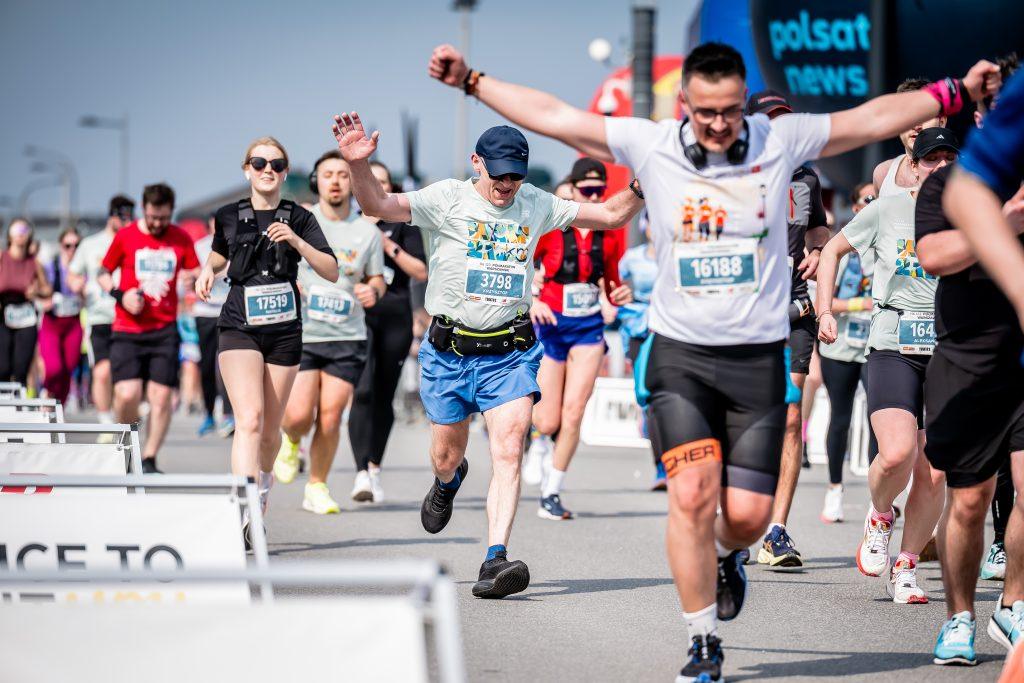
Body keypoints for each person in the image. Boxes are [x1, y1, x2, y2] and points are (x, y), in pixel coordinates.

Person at [426, 38, 1000, 680]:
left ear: (742, 102)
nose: (719, 124)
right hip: (681, 356)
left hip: (755, 358)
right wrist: (473, 80)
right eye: (705, 113)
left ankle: (730, 556)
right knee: (693, 497)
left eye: (729, 111)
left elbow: (867, 119)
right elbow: (557, 116)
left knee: (747, 517)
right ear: (685, 104)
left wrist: (954, 91)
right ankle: (702, 642)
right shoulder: (654, 144)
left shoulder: (778, 141)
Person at [333, 112, 643, 598]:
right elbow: (377, 204)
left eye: (515, 175)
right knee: (445, 455)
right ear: (476, 162)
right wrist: (357, 165)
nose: (506, 185)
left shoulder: (536, 202)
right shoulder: (447, 198)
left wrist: (644, 183)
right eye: (498, 174)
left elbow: (609, 215)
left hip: (509, 353)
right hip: (449, 351)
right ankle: (448, 481)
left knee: (509, 447)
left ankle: (495, 558)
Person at [818, 128, 960, 606]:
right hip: (893, 342)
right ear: (914, 167)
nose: (941, 166)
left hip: (949, 350)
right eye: (932, 158)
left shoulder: (970, 215)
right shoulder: (887, 208)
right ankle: (880, 513)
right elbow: (833, 250)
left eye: (949, 158)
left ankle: (907, 567)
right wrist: (824, 311)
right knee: (897, 453)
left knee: (935, 470)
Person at [920, 62, 1024, 665]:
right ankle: (959, 616)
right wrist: (1003, 223)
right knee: (969, 499)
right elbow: (933, 256)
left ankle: (1013, 605)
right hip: (968, 360)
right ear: (983, 115)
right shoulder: (948, 184)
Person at [196, 137, 337, 529]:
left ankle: (262, 484)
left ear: (285, 172)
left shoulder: (300, 217)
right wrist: (208, 269)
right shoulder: (228, 214)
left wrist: (296, 241)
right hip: (238, 325)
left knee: (271, 432)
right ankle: (243, 512)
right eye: (259, 163)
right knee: (250, 419)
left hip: (283, 330)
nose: (267, 170)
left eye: (276, 164)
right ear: (247, 170)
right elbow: (220, 253)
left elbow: (330, 269)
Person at [744, 90, 830, 570]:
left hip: (795, 307)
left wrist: (820, 249)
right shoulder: (731, 174)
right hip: (741, 312)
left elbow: (817, 229)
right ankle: (735, 519)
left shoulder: (805, 177)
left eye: (785, 120)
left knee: (791, 419)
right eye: (770, 120)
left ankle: (776, 532)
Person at [275, 151, 385, 514]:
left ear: (352, 183)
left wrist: (373, 291)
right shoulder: (300, 223)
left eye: (342, 174)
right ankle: (291, 440)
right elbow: (278, 267)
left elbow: (377, 278)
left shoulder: (367, 231)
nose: (335, 181)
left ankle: (317, 486)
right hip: (305, 333)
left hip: (347, 335)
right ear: (316, 182)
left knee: (331, 415)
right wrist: (290, 283)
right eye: (328, 175)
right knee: (297, 415)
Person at [527, 157, 631, 520]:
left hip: (588, 329)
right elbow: (522, 264)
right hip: (551, 327)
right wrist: (534, 298)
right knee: (548, 420)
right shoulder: (552, 227)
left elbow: (614, 284)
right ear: (573, 190)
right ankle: (539, 441)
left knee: (574, 413)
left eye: (599, 190)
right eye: (586, 190)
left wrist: (619, 295)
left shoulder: (611, 234)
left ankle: (552, 491)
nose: (594, 196)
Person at [97, 184, 198, 473]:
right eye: (153, 217)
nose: (157, 223)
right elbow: (103, 272)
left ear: (171, 212)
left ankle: (150, 458)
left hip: (164, 329)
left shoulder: (180, 237)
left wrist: (193, 278)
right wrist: (120, 295)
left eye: (163, 218)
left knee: (161, 397)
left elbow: (194, 269)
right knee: (127, 394)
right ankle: (127, 446)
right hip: (128, 328)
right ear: (143, 209)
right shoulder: (126, 235)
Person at [347, 160, 427, 503]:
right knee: (362, 390)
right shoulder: (347, 223)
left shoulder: (403, 223)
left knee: (383, 395)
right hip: (356, 316)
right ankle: (360, 473)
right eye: (369, 180)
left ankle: (375, 467)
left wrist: (385, 243)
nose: (375, 186)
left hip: (395, 315)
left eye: (382, 182)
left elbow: (420, 270)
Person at [817, 182, 878, 523]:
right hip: (840, 344)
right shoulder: (842, 248)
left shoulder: (886, 243)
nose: (875, 203)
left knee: (877, 419)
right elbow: (825, 301)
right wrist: (860, 304)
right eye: (869, 199)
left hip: (875, 344)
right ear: (856, 208)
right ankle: (834, 490)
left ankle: (877, 498)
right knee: (840, 418)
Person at [68, 195, 134, 426]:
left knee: (125, 374)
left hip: (128, 317)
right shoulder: (90, 244)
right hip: (99, 316)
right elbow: (73, 274)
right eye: (123, 217)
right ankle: (105, 420)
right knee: (102, 371)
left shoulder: (133, 241)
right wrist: (76, 285)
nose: (127, 222)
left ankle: (122, 416)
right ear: (111, 216)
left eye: (130, 217)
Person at [616, 213, 661, 489]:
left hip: (667, 328)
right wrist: (619, 298)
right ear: (645, 227)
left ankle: (664, 467)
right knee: (646, 394)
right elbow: (612, 283)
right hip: (638, 327)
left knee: (662, 397)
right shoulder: (633, 258)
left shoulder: (674, 255)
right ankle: (660, 465)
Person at [193, 215, 234, 437]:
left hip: (229, 311)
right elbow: (193, 272)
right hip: (205, 312)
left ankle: (229, 415)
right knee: (207, 365)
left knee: (228, 364)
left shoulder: (234, 242)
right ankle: (208, 413)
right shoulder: (200, 246)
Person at [874, 78, 948, 198]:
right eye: (909, 117)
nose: (916, 125)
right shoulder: (883, 173)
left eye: (924, 116)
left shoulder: (963, 172)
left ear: (942, 121)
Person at [0, 218, 50, 385]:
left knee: (21, 368)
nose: (20, 235)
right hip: (3, 314)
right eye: (17, 230)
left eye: (24, 231)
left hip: (26, 316)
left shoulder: (34, 262)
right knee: (3, 367)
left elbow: (47, 289)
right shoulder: (2, 257)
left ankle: (17, 398)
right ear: (9, 235)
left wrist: (36, 292)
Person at [38, 227, 84, 403]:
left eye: (76, 245)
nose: (72, 249)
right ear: (61, 245)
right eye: (68, 245)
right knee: (54, 367)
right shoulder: (50, 267)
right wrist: (43, 299)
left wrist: (82, 291)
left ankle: (59, 407)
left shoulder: (84, 269)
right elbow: (37, 289)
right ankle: (48, 393)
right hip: (52, 323)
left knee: (69, 367)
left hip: (73, 323)